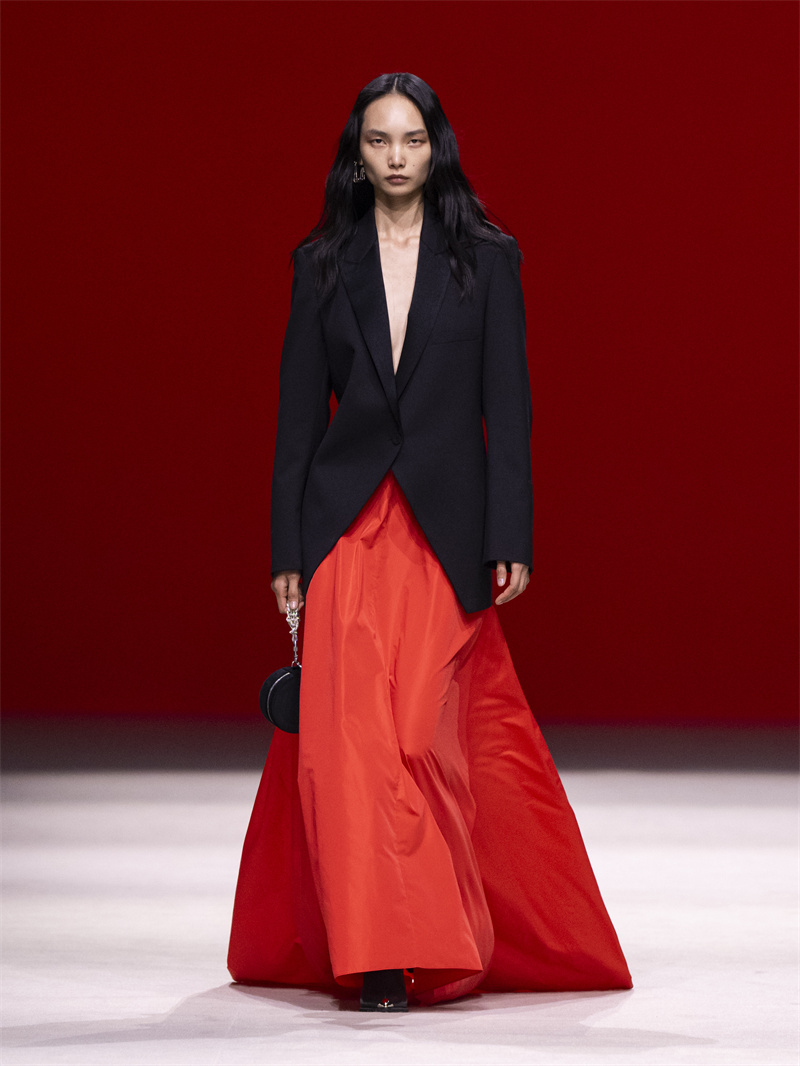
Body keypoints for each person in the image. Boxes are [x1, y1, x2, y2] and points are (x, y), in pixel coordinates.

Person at [228, 72, 632, 1012]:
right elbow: (297, 421)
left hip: (443, 530)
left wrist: (509, 531)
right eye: (379, 141)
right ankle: (381, 954)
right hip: (344, 527)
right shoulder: (321, 263)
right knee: (351, 748)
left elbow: (509, 410)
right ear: (357, 156)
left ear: (436, 147)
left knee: (418, 738)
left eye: (412, 139)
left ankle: (435, 929)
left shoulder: (487, 259)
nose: (397, 157)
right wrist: (287, 551)